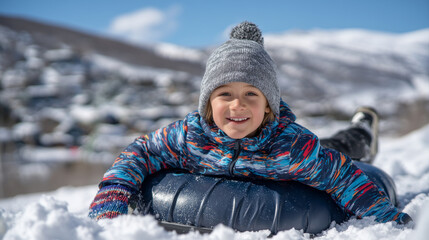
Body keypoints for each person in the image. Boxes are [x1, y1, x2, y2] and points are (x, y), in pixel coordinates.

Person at [89, 21, 412, 225]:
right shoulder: (188, 136)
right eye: (224, 94)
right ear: (207, 104)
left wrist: (388, 218)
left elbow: (342, 177)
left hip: (289, 155)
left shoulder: (293, 148)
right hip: (270, 162)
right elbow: (140, 152)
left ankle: (362, 131)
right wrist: (115, 192)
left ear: (269, 105)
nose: (237, 104)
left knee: (339, 150)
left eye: (251, 95)